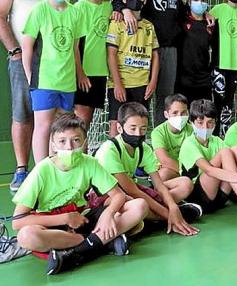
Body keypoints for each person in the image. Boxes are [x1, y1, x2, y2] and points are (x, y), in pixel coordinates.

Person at [11, 113, 148, 275]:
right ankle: (100, 243)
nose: (69, 147)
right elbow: (18, 221)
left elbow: (118, 195)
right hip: (53, 225)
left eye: (75, 140)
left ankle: (76, 254)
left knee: (139, 205)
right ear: (53, 145)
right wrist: (65, 218)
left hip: (83, 219)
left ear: (84, 142)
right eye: (62, 141)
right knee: (26, 236)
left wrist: (108, 214)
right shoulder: (42, 171)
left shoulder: (89, 162)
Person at [112, 0, 211, 125]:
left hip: (170, 48)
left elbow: (183, 10)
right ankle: (133, 134)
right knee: (141, 95)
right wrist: (124, 10)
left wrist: (204, 13)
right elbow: (120, 0)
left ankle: (160, 136)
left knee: (165, 97)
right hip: (144, 49)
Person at [0, 0, 51, 192]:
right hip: (24, 56)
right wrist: (14, 50)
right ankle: (21, 169)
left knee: (49, 113)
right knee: (23, 111)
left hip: (53, 58)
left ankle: (48, 166)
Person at [94, 102, 200, 237]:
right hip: (109, 197)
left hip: (134, 190)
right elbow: (131, 190)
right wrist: (168, 214)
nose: (138, 134)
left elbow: (159, 185)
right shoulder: (109, 150)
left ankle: (152, 219)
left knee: (185, 183)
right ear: (120, 128)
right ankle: (166, 219)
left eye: (143, 129)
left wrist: (172, 206)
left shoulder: (144, 148)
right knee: (138, 203)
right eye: (132, 128)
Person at [21, 0, 86, 163]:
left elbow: (75, 48)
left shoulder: (76, 13)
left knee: (62, 127)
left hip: (67, 82)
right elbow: (27, 47)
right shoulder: (39, 11)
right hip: (44, 80)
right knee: (43, 126)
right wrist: (30, 77)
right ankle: (41, 171)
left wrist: (80, 74)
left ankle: (57, 165)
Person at [106, 0, 160, 136]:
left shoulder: (149, 26)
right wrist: (117, 84)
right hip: (121, 83)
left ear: (145, 1)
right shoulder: (117, 23)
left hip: (142, 84)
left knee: (139, 125)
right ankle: (113, 158)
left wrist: (153, 81)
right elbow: (111, 54)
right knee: (116, 125)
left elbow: (156, 55)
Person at [73, 0, 112, 130]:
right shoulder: (78, 8)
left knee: (87, 122)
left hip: (101, 73)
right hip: (84, 73)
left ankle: (82, 154)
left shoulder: (109, 7)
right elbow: (74, 46)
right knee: (81, 121)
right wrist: (80, 73)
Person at [210, 0, 237, 137]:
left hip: (234, 65)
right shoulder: (218, 9)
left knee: (229, 103)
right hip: (220, 63)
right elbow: (207, 22)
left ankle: (224, 135)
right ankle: (214, 134)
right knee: (218, 101)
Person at [176, 0, 214, 106]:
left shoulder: (211, 23)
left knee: (203, 115)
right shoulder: (181, 19)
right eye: (196, 0)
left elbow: (216, 50)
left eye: (203, 1)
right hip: (183, 79)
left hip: (203, 79)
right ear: (189, 1)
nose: (200, 3)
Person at [151, 94, 194, 181]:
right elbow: (164, 160)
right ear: (166, 114)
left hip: (188, 168)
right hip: (169, 169)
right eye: (175, 113)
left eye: (183, 113)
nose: (180, 116)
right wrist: (186, 173)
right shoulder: (158, 132)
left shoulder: (193, 130)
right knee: (163, 175)